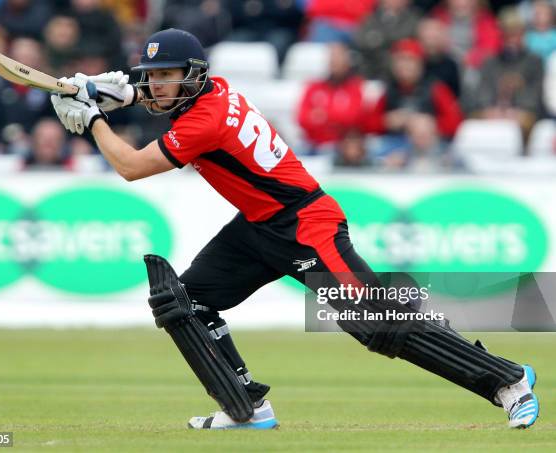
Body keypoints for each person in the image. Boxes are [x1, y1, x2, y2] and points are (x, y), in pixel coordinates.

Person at [49, 28, 540, 430]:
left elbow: (131, 166)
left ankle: (508, 380)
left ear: (192, 76)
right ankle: (245, 406)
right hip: (259, 227)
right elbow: (167, 99)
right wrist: (117, 92)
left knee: (380, 324)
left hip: (306, 223)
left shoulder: (204, 120)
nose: (157, 86)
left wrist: (93, 117)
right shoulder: (214, 92)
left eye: (166, 77)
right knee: (183, 301)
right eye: (151, 77)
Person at [365, 39, 463, 169]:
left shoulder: (435, 89)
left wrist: (431, 124)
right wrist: (386, 121)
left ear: (420, 64)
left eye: (410, 60)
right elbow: (367, 124)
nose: (405, 66)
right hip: (394, 145)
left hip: (428, 147)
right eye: (400, 61)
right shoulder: (387, 90)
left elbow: (456, 122)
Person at [470, 9, 544, 141]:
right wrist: (491, 109)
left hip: (524, 113)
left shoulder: (534, 62)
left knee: (527, 122)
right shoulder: (490, 62)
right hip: (493, 110)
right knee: (473, 121)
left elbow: (536, 93)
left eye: (516, 34)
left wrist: (516, 110)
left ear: (523, 35)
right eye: (508, 35)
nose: (512, 40)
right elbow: (482, 91)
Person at [297, 42, 365, 155]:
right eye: (332, 57)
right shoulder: (314, 87)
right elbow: (302, 118)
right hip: (311, 143)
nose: (335, 61)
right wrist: (334, 118)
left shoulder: (355, 87)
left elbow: (352, 118)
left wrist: (321, 115)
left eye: (339, 57)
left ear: (347, 61)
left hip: (339, 146)